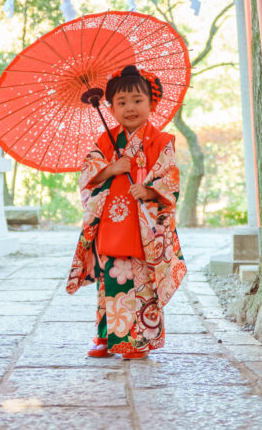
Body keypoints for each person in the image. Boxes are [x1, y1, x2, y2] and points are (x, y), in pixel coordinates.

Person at [66, 64, 186, 359]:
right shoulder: (106, 142)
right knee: (111, 277)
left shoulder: (161, 142)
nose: (130, 108)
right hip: (112, 219)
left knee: (141, 281)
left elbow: (169, 178)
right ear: (109, 107)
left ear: (151, 103)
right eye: (121, 102)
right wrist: (111, 168)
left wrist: (148, 190)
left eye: (137, 100)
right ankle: (105, 336)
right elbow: (87, 177)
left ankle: (137, 341)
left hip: (145, 226)